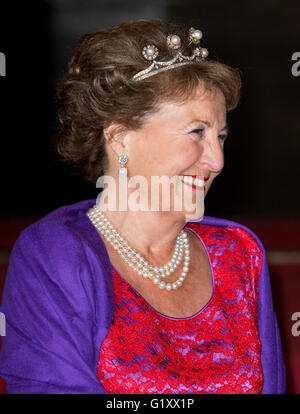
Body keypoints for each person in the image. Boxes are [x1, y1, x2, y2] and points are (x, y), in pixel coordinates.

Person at [0, 19, 285, 394]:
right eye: (196, 132)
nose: (217, 161)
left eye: (220, 137)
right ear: (120, 138)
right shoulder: (55, 255)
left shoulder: (238, 253)